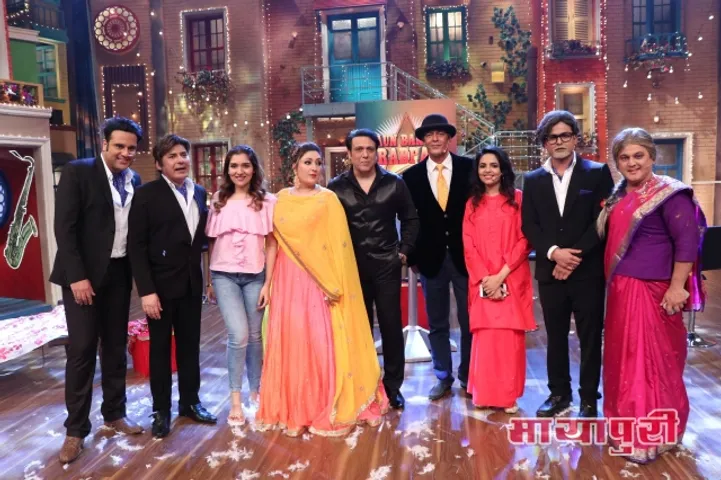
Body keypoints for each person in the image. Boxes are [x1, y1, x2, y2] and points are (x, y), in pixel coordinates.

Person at [255, 142, 388, 436]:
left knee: (318, 341)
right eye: (308, 162)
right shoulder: (280, 200)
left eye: (318, 162)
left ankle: (321, 405)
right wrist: (268, 283)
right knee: (293, 341)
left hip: (319, 282)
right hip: (287, 280)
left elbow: (340, 247)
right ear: (294, 166)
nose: (315, 167)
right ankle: (295, 410)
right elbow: (272, 243)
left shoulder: (328, 199)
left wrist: (333, 283)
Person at [598, 128, 706, 463]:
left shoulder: (669, 195)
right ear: (617, 162)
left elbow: (687, 243)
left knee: (652, 363)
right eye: (624, 157)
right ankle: (625, 427)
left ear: (652, 157)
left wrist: (677, 287)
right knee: (624, 360)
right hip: (621, 289)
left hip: (654, 290)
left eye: (638, 156)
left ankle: (652, 434)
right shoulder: (618, 196)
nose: (632, 163)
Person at [50, 117, 144, 464]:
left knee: (116, 347)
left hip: (118, 273)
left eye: (131, 148)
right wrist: (77, 277)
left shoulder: (135, 179)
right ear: (104, 144)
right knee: (83, 349)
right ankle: (75, 430)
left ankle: (115, 414)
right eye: (119, 146)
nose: (125, 153)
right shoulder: (78, 172)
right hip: (83, 277)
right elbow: (64, 228)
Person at [521, 110, 614, 418]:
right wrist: (553, 253)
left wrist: (572, 257)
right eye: (552, 137)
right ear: (544, 143)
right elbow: (530, 225)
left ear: (575, 138)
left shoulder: (597, 173)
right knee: (556, 337)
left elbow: (603, 221)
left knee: (590, 337)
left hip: (587, 272)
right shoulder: (533, 180)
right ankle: (559, 394)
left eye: (565, 135)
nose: (559, 141)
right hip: (550, 271)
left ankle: (589, 399)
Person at [128, 134, 217, 438]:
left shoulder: (199, 192)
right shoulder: (146, 195)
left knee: (190, 347)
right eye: (172, 156)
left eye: (183, 154)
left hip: (191, 285)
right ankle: (161, 410)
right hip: (160, 289)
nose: (180, 160)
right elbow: (137, 246)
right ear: (159, 164)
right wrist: (146, 291)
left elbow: (199, 241)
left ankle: (190, 402)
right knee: (161, 350)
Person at [327, 128, 419, 410]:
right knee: (359, 329)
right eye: (359, 149)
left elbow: (411, 218)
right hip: (351, 269)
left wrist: (403, 252)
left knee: (391, 327)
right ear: (349, 153)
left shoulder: (394, 183)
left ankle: (393, 388)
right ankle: (364, 386)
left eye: (370, 149)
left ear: (377, 152)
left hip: (387, 266)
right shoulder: (335, 188)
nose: (365, 154)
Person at [401, 114, 472, 400]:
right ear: (423, 140)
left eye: (440, 133)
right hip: (430, 262)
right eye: (429, 135)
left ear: (448, 138)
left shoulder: (469, 168)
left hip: (467, 259)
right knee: (437, 323)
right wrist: (413, 257)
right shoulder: (411, 177)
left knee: (469, 322)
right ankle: (443, 376)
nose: (435, 138)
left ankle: (468, 376)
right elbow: (408, 220)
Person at [205, 145, 277, 425]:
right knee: (238, 334)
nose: (239, 171)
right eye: (234, 166)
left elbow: (271, 244)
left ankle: (255, 392)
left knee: (256, 336)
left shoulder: (267, 201)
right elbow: (211, 242)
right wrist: (209, 281)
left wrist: (268, 283)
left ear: (253, 168)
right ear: (227, 170)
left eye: (245, 165)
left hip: (255, 275)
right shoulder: (218, 200)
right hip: (224, 275)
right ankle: (235, 397)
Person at [462, 146, 535, 413]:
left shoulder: (518, 200)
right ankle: (483, 394)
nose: (488, 171)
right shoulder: (472, 204)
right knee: (485, 339)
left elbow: (524, 240)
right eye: (483, 166)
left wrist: (501, 276)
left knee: (508, 340)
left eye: (494, 165)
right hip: (481, 282)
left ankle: (507, 397)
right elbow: (469, 245)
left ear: (503, 169)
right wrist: (486, 280)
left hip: (512, 278)